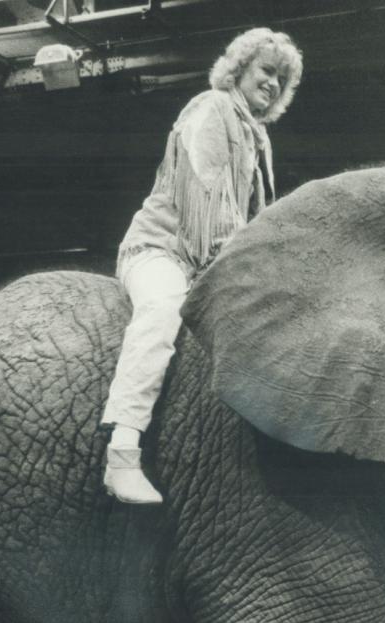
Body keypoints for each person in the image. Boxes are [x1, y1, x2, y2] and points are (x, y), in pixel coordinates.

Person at [101, 28, 303, 503]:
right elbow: (206, 206)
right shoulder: (210, 109)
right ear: (239, 69)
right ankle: (122, 450)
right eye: (265, 71)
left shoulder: (259, 139)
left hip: (211, 262)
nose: (271, 83)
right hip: (162, 251)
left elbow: (257, 221)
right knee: (163, 308)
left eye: (281, 78)